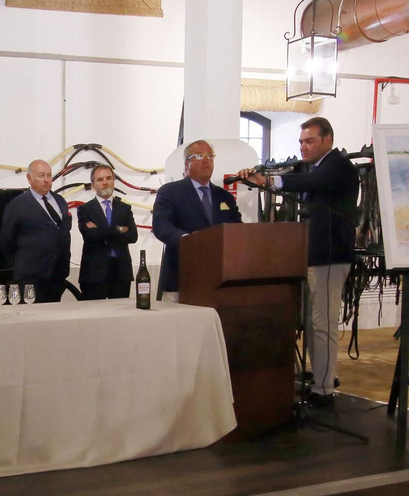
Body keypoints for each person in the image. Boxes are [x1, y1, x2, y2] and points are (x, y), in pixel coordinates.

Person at [249, 117, 360, 406]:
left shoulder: (338, 166)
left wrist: (272, 180)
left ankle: (324, 389)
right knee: (314, 322)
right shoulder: (319, 168)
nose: (303, 147)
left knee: (323, 323)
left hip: (331, 255)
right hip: (317, 255)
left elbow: (313, 182)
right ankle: (323, 376)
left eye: (309, 141)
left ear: (328, 140)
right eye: (301, 142)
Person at [151, 140, 242, 299]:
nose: (206, 160)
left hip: (219, 279)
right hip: (181, 276)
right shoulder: (170, 192)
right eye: (199, 156)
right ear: (187, 164)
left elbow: (236, 230)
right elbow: (161, 226)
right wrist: (189, 241)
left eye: (210, 156)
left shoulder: (224, 196)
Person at [0, 159, 72, 302]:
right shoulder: (17, 204)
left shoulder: (60, 201)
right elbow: (6, 240)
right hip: (30, 274)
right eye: (41, 175)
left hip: (57, 273)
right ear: (29, 178)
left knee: (55, 312)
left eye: (49, 175)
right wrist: (22, 261)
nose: (46, 180)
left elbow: (63, 233)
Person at [76, 164, 138, 299]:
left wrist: (100, 229)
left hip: (121, 273)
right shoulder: (85, 209)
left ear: (114, 181)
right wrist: (119, 229)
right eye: (100, 180)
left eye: (109, 178)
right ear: (93, 185)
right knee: (94, 312)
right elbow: (90, 235)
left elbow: (133, 236)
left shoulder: (125, 208)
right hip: (94, 274)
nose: (105, 182)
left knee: (120, 312)